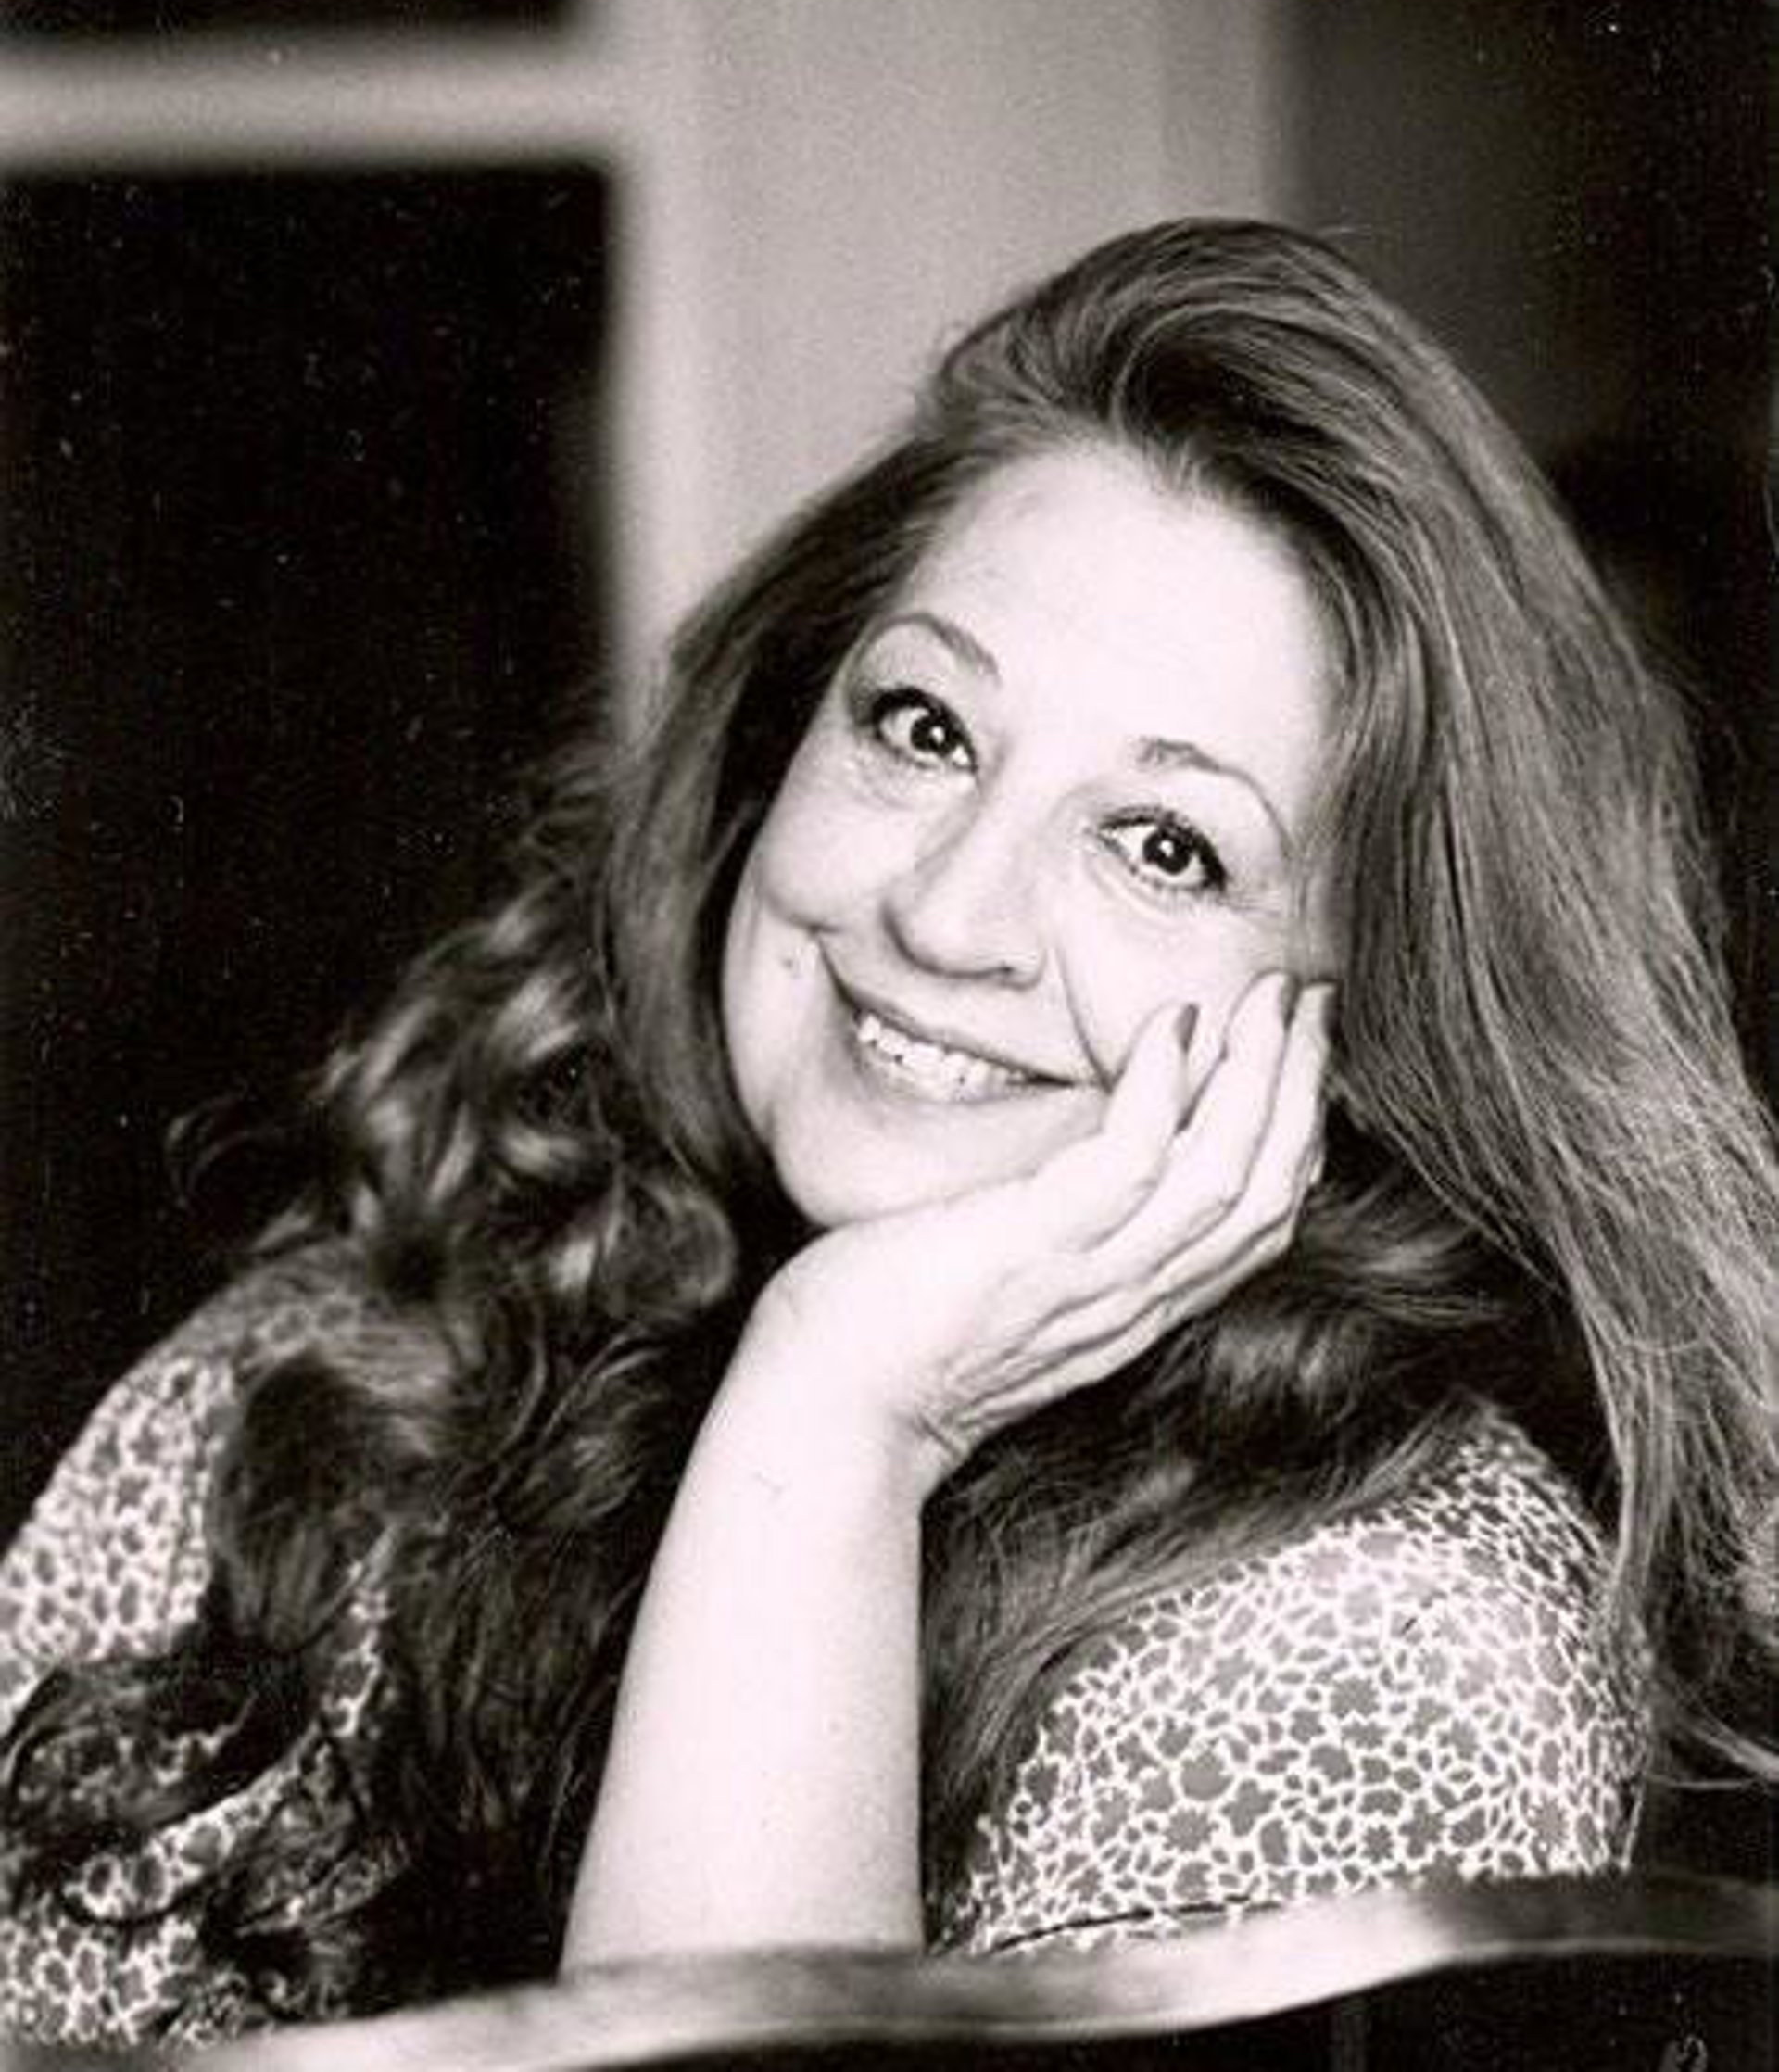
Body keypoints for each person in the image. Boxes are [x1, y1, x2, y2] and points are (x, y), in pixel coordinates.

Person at [2, 221, 1774, 2043]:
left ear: (1378, 1018)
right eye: (924, 727)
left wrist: (836, 1413)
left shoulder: (1391, 1633)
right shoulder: (323, 1381)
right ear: (781, 731)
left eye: (1166, 846)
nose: (946, 913)